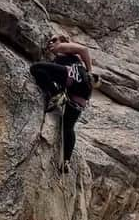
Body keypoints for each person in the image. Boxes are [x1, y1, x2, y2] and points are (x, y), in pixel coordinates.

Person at [30, 33, 94, 170]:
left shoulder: (63, 48)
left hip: (75, 77)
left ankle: (56, 95)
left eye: (54, 40)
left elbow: (84, 50)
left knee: (36, 68)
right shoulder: (59, 61)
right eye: (49, 42)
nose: (51, 43)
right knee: (68, 126)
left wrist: (90, 71)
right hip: (81, 93)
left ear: (62, 40)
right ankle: (66, 161)